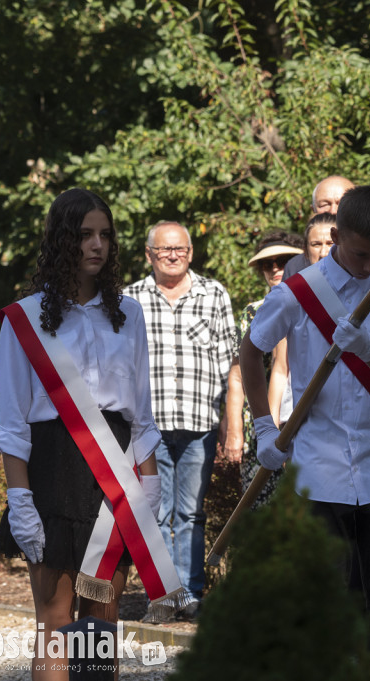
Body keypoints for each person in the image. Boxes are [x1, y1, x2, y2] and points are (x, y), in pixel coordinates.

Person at [240, 185, 370, 681]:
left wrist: (368, 350)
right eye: (361, 254)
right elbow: (250, 351)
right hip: (319, 468)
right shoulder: (298, 292)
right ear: (335, 235)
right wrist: (261, 425)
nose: (368, 266)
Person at [0, 188, 169, 681]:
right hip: (51, 472)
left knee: (102, 622)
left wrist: (149, 485)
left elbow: (140, 414)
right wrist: (20, 499)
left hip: (114, 473)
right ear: (61, 241)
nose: (98, 245)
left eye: (105, 235)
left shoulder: (129, 314)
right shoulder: (22, 320)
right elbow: (12, 424)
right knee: (54, 621)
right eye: (85, 235)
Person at [124, 221, 237, 620]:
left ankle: (189, 592)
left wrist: (232, 422)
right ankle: (162, 594)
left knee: (190, 511)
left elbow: (231, 364)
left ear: (191, 252)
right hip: (147, 428)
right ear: (148, 254)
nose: (173, 255)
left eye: (181, 250)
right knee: (155, 512)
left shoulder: (214, 294)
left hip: (199, 422)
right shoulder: (129, 298)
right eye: (164, 250)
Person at [223, 232, 304, 506]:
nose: (275, 269)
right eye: (267, 264)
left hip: (302, 421)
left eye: (283, 260)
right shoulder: (251, 312)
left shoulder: (314, 304)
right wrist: (235, 431)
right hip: (259, 424)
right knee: (259, 510)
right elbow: (237, 377)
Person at [284, 212, 337, 280]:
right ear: (306, 251)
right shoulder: (293, 287)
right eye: (316, 244)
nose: (323, 254)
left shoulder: (354, 286)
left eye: (330, 243)